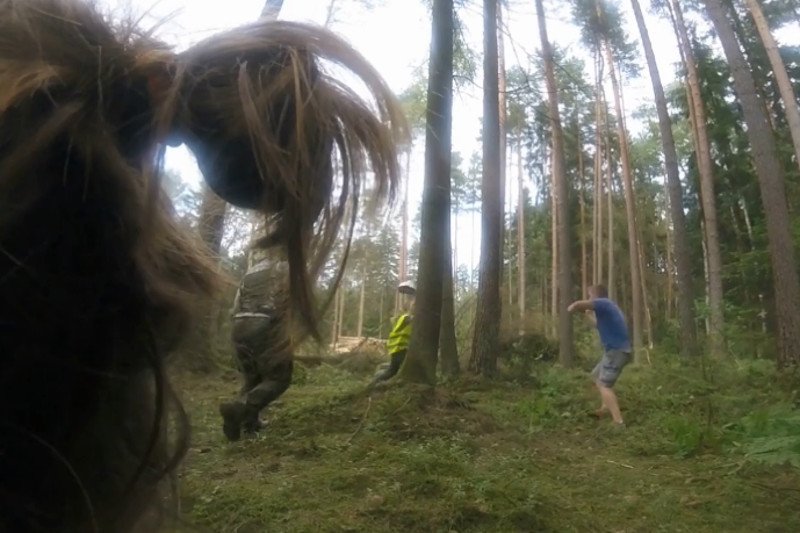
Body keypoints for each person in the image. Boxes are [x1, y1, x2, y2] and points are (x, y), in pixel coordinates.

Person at [0, 0, 406, 530]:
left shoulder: (72, 200)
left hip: (239, 333)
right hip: (254, 333)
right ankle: (246, 410)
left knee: (259, 376)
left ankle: (245, 407)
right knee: (277, 377)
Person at [220, 257, 293, 442]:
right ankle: (240, 408)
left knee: (253, 378)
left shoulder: (254, 269)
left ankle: (249, 424)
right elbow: (289, 300)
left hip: (239, 325)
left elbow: (236, 303)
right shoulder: (285, 264)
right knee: (279, 378)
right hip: (265, 323)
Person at [567, 284, 632, 428]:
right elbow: (599, 325)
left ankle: (618, 422)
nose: (589, 298)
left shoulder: (604, 303)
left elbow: (581, 304)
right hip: (615, 351)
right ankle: (605, 408)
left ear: (596, 295)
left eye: (590, 295)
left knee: (604, 385)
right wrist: (589, 316)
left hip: (616, 351)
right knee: (597, 376)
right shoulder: (609, 308)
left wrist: (572, 306)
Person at [372, 280, 416, 383]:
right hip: (399, 347)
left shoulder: (403, 317)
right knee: (393, 370)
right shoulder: (406, 318)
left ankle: (377, 379)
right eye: (414, 306)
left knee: (393, 369)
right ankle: (375, 382)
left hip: (397, 347)